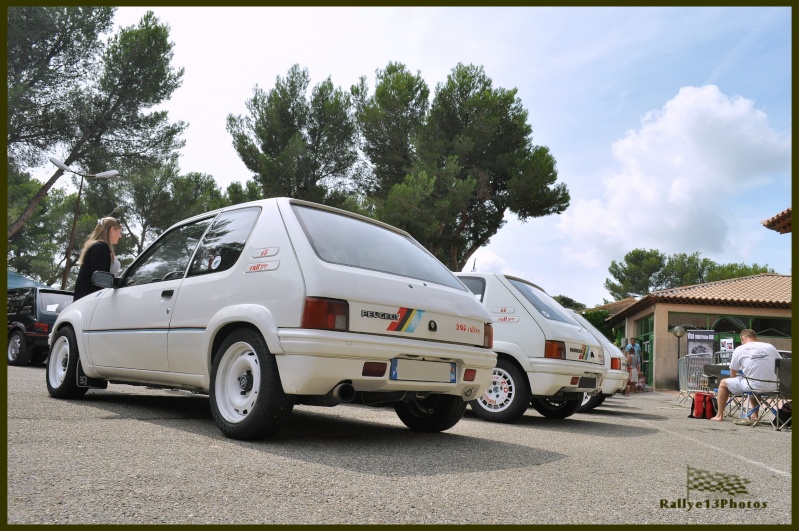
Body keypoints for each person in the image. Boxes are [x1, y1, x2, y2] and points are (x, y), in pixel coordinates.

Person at [710, 329, 781, 423]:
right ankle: (754, 415)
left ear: (742, 338)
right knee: (752, 382)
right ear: (756, 338)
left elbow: (733, 372)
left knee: (724, 383)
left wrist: (735, 379)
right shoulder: (770, 347)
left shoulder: (739, 349)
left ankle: (719, 415)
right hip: (774, 386)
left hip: (753, 385)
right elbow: (781, 364)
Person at [72, 217, 123, 301]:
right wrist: (120, 282)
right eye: (119, 232)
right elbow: (100, 280)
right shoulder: (101, 247)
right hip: (92, 302)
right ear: (112, 229)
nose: (120, 236)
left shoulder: (97, 246)